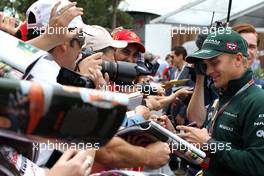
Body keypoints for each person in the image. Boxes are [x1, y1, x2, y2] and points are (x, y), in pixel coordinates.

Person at [177, 29, 264, 176]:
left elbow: (258, 165)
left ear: (237, 59)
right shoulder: (221, 97)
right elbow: (214, 161)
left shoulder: (258, 101)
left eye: (215, 62)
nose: (209, 71)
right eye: (205, 65)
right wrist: (174, 140)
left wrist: (209, 144)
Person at [232, 23, 264, 88]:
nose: (247, 52)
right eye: (242, 46)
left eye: (252, 47)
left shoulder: (261, 86)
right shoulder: (215, 83)